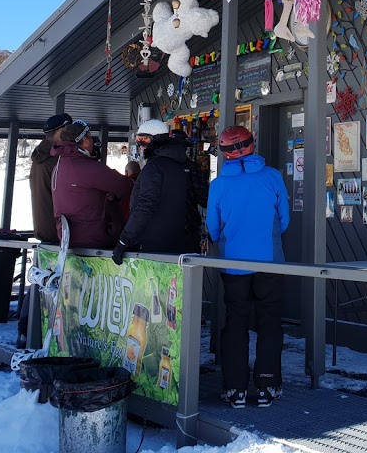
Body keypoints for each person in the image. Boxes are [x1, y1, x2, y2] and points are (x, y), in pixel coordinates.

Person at [206, 125, 289, 408]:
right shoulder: (272, 177)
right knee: (270, 322)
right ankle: (268, 385)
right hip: (270, 262)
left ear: (224, 151)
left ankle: (235, 388)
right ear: (252, 143)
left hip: (234, 265)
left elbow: (213, 229)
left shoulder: (218, 185)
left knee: (235, 323)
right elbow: (285, 220)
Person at [112, 120, 197, 262]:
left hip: (153, 245)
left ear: (158, 139)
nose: (141, 146)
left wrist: (124, 240)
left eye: (145, 140)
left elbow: (145, 206)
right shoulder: (180, 165)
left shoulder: (154, 168)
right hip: (176, 242)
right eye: (138, 140)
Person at [51, 120, 132, 249]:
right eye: (90, 136)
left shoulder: (60, 166)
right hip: (95, 240)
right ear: (85, 140)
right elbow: (125, 186)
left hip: (69, 241)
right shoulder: (89, 168)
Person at [30, 113, 71, 244]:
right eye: (69, 129)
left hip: (47, 231)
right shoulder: (56, 160)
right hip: (58, 234)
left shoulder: (41, 157)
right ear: (61, 131)